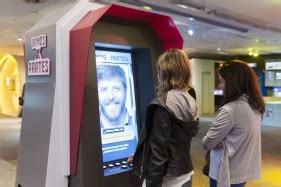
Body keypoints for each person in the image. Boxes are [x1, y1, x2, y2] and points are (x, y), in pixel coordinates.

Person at [131, 49, 199, 187]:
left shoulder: (162, 104)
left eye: (159, 70)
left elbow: (159, 155)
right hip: (185, 175)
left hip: (166, 181)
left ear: (165, 72)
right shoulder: (190, 98)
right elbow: (175, 140)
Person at [202, 60, 265, 187]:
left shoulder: (231, 110)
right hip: (241, 171)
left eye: (221, 81)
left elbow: (207, 143)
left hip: (224, 174)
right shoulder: (255, 106)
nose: (219, 86)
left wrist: (221, 141)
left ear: (233, 82)